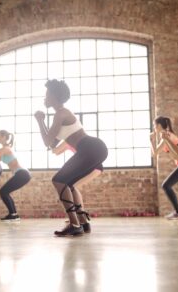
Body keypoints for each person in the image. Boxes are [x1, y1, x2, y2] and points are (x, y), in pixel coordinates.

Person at [34, 79, 108, 237]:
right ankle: (83, 222)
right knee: (70, 184)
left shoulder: (61, 113)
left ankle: (74, 224)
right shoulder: (60, 114)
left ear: (54, 96)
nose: (44, 98)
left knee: (58, 180)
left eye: (47, 94)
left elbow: (47, 140)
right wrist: (42, 123)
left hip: (90, 148)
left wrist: (40, 121)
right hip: (93, 149)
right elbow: (51, 144)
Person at [150, 116, 178, 220]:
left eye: (154, 125)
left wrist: (151, 140)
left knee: (166, 185)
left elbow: (155, 153)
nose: (154, 127)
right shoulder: (167, 135)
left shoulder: (167, 136)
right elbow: (155, 153)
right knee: (167, 185)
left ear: (159, 125)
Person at [52, 141, 103, 231]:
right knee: (72, 186)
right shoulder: (76, 140)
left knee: (70, 186)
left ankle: (78, 221)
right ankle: (83, 222)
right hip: (96, 166)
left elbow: (55, 151)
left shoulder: (67, 140)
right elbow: (58, 153)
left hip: (90, 165)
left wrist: (52, 144)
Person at [0, 130, 31, 222]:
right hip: (21, 174)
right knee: (4, 191)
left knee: (3, 191)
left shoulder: (6, 148)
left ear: (4, 137)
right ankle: (13, 214)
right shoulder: (4, 149)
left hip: (22, 173)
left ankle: (13, 214)